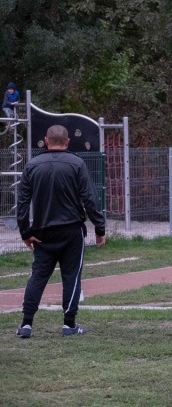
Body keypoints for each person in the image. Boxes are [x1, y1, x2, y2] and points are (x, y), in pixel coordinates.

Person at [16, 125, 106, 338]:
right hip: (72, 231)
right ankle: (69, 324)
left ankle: (26, 324)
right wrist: (99, 228)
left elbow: (22, 203)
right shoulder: (77, 163)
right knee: (71, 276)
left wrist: (25, 232)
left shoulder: (32, 165)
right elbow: (90, 199)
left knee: (38, 276)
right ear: (67, 142)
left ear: (46, 141)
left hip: (42, 232)